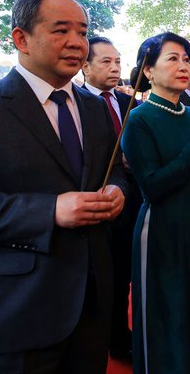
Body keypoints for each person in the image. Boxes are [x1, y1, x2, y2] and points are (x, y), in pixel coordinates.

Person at [0, 0, 127, 374]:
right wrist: (49, 211)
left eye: (82, 32)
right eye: (61, 30)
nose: (76, 43)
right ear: (21, 39)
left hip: (89, 309)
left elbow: (112, 172)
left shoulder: (94, 108)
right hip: (12, 314)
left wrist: (117, 191)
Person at [121, 32, 190, 374]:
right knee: (170, 314)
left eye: (186, 58)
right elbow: (153, 186)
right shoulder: (139, 120)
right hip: (164, 231)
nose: (184, 65)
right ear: (149, 70)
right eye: (172, 58)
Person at [81, 36, 141, 361]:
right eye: (106, 61)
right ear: (84, 65)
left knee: (122, 276)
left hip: (129, 201)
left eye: (118, 61)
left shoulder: (131, 104)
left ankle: (120, 337)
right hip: (91, 206)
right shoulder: (76, 103)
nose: (115, 68)